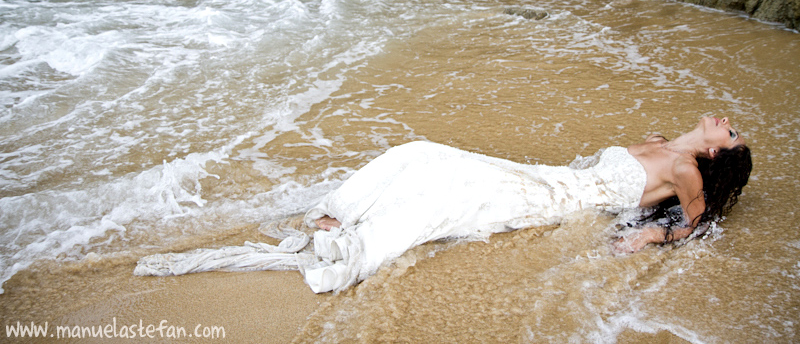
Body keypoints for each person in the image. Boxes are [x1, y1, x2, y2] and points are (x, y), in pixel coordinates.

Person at [134, 116, 751, 294]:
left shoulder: (683, 169)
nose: (726, 121)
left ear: (720, 156)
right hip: (546, 174)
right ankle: (338, 211)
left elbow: (696, 226)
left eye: (733, 132)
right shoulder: (660, 143)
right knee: (421, 150)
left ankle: (352, 244)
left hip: (557, 198)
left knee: (452, 193)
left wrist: (649, 237)